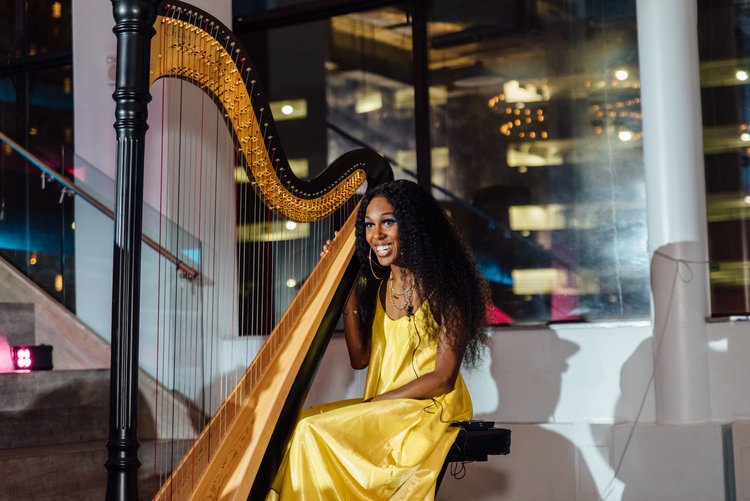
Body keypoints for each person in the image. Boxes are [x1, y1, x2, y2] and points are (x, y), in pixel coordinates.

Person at [267, 179, 490, 500]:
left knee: (311, 431)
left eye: (388, 222)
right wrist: (343, 286)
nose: (377, 235)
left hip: (427, 409)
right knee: (296, 423)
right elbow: (360, 358)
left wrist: (376, 404)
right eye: (370, 225)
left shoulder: (448, 288)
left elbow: (443, 379)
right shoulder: (379, 285)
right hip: (385, 406)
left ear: (414, 225)